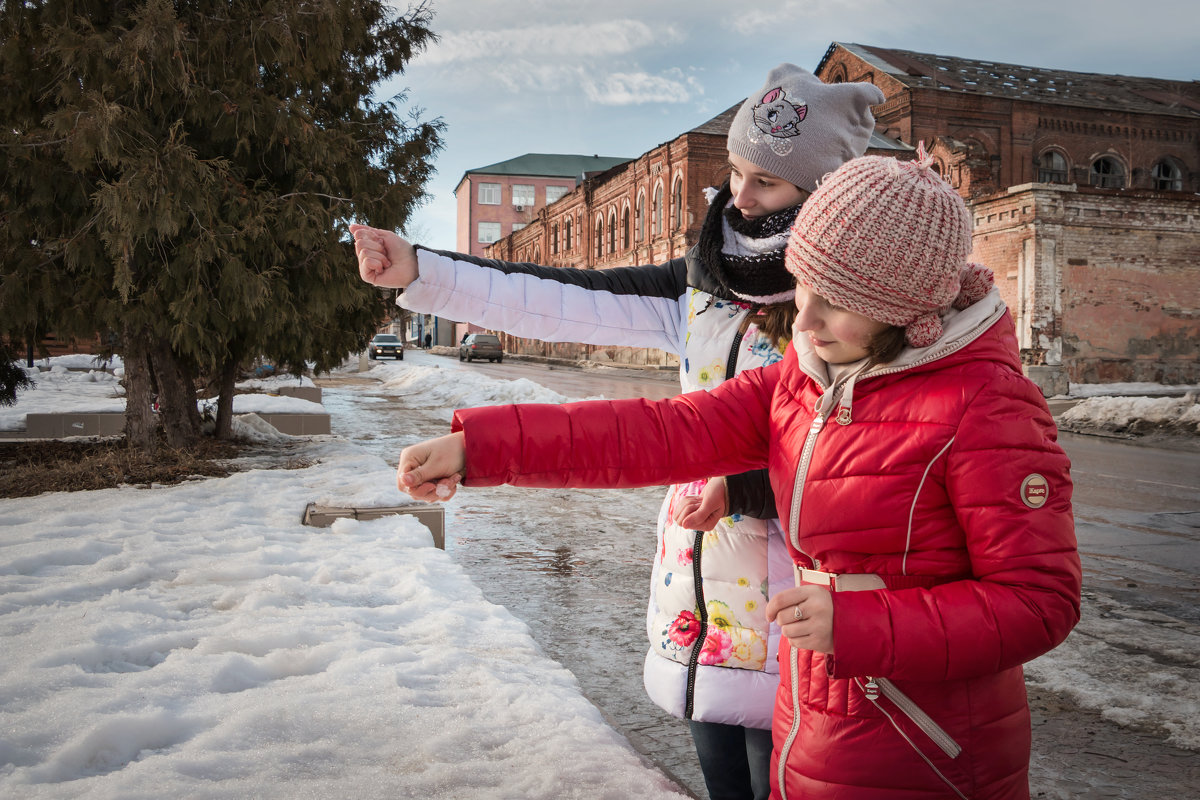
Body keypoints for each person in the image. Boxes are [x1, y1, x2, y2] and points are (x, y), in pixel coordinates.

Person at [391, 148, 1082, 799]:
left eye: (833, 301)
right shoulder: (807, 378)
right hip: (814, 725)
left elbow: (1039, 600)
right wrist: (480, 447)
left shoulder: (985, 405)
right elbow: (663, 433)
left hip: (929, 753)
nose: (802, 319)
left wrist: (862, 624)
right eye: (802, 285)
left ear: (909, 306)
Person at [352, 65, 884, 800]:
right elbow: (562, 300)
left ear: (821, 191)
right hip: (704, 589)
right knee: (721, 776)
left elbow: (865, 450)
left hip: (801, 601)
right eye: (735, 171)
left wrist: (742, 488)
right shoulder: (704, 282)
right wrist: (421, 269)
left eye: (767, 182)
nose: (740, 196)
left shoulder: (850, 310)